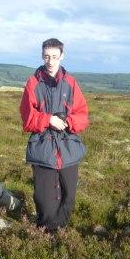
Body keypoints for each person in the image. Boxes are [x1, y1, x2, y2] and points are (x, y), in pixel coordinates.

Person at [20, 38, 89, 232]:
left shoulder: (70, 83)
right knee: (44, 200)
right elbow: (27, 117)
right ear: (42, 56)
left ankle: (59, 234)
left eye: (54, 57)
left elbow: (82, 115)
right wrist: (48, 119)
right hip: (42, 148)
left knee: (69, 197)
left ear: (62, 56)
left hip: (68, 148)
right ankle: (45, 235)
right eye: (46, 56)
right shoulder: (33, 83)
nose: (50, 61)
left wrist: (69, 122)